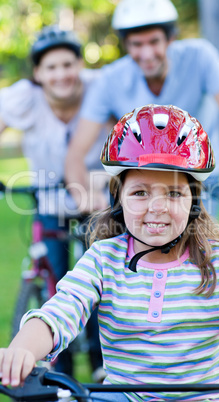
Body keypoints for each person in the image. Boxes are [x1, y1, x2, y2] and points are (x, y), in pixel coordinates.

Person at [1, 104, 219, 402]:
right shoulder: (103, 260)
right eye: (140, 193)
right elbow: (59, 312)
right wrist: (23, 349)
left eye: (173, 193)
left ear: (194, 201)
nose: (156, 207)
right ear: (118, 199)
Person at [65, 0, 219, 218]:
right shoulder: (110, 79)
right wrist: (81, 193)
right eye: (137, 44)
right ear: (126, 45)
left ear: (170, 38)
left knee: (197, 247)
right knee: (131, 247)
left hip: (198, 176)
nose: (146, 53)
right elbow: (77, 150)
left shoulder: (200, 57)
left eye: (154, 41)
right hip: (140, 178)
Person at [0, 25, 108, 381]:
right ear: (37, 73)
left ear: (80, 65)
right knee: (55, 279)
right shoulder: (24, 97)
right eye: (50, 67)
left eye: (67, 64)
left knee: (100, 277)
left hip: (97, 199)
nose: (60, 74)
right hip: (48, 198)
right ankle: (56, 370)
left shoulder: (101, 88)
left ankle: (100, 361)